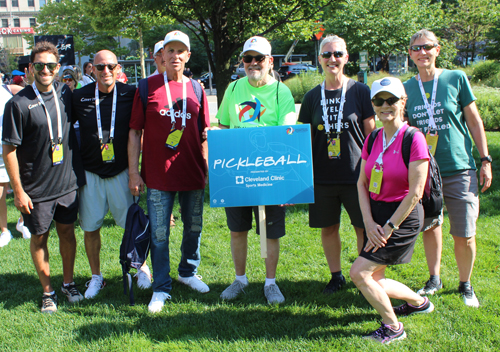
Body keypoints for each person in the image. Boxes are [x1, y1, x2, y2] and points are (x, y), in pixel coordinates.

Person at [403, 29, 492, 307]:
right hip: (425, 172)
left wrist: (485, 159)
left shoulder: (455, 78)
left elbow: (474, 121)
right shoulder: (406, 88)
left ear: (437, 49)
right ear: (410, 54)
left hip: (459, 168)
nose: (422, 52)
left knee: (464, 232)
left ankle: (465, 284)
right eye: (416, 48)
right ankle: (434, 278)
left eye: (427, 47)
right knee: (431, 226)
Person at [128, 30, 211, 313]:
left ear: (188, 56)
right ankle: (161, 287)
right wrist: (133, 173)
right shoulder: (146, 87)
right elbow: (134, 132)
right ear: (162, 55)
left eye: (180, 51)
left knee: (194, 227)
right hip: (158, 175)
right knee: (160, 233)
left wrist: (209, 167)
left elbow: (205, 134)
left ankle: (187, 271)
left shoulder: (197, 89)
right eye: (169, 50)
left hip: (192, 174)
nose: (174, 56)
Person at [2, 41, 85, 313]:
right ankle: (48, 291)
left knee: (67, 233)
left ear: (58, 68)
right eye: (40, 65)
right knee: (39, 238)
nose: (45, 70)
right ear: (30, 69)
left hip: (66, 184)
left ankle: (69, 283)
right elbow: (9, 151)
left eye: (51, 65)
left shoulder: (65, 94)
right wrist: (18, 191)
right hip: (35, 188)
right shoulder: (18, 103)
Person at [350, 77, 433, 344]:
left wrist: (387, 228)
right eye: (378, 101)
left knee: (360, 273)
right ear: (373, 104)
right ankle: (420, 303)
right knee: (375, 278)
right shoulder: (373, 137)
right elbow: (362, 183)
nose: (385, 106)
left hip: (402, 217)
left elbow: (415, 193)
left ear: (403, 102)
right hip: (375, 215)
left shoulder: (414, 138)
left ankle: (393, 327)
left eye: (391, 100)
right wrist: (368, 222)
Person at [213, 36, 296, 304]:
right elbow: (224, 126)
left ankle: (270, 283)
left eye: (258, 58)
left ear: (270, 62)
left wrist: (285, 182)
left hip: (270, 172)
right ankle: (240, 279)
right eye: (247, 58)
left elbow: (286, 134)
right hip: (238, 172)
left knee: (270, 231)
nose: (252, 63)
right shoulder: (234, 88)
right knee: (237, 230)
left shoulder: (280, 92)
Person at [297, 35, 375, 294]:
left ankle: (366, 275)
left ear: (346, 58)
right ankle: (336, 276)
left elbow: (372, 137)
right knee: (329, 228)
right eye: (327, 54)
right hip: (322, 177)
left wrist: (374, 174)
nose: (332, 59)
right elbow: (304, 140)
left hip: (357, 176)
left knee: (362, 227)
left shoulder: (360, 92)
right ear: (319, 59)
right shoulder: (311, 97)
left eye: (338, 54)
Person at [73, 50, 150, 299]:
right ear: (91, 69)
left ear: (118, 69)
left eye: (110, 66)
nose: (105, 71)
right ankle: (96, 277)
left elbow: (140, 131)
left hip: (121, 172)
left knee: (132, 225)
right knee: (91, 227)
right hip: (91, 172)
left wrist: (135, 172)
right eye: (100, 67)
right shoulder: (79, 96)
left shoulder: (131, 94)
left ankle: (140, 268)